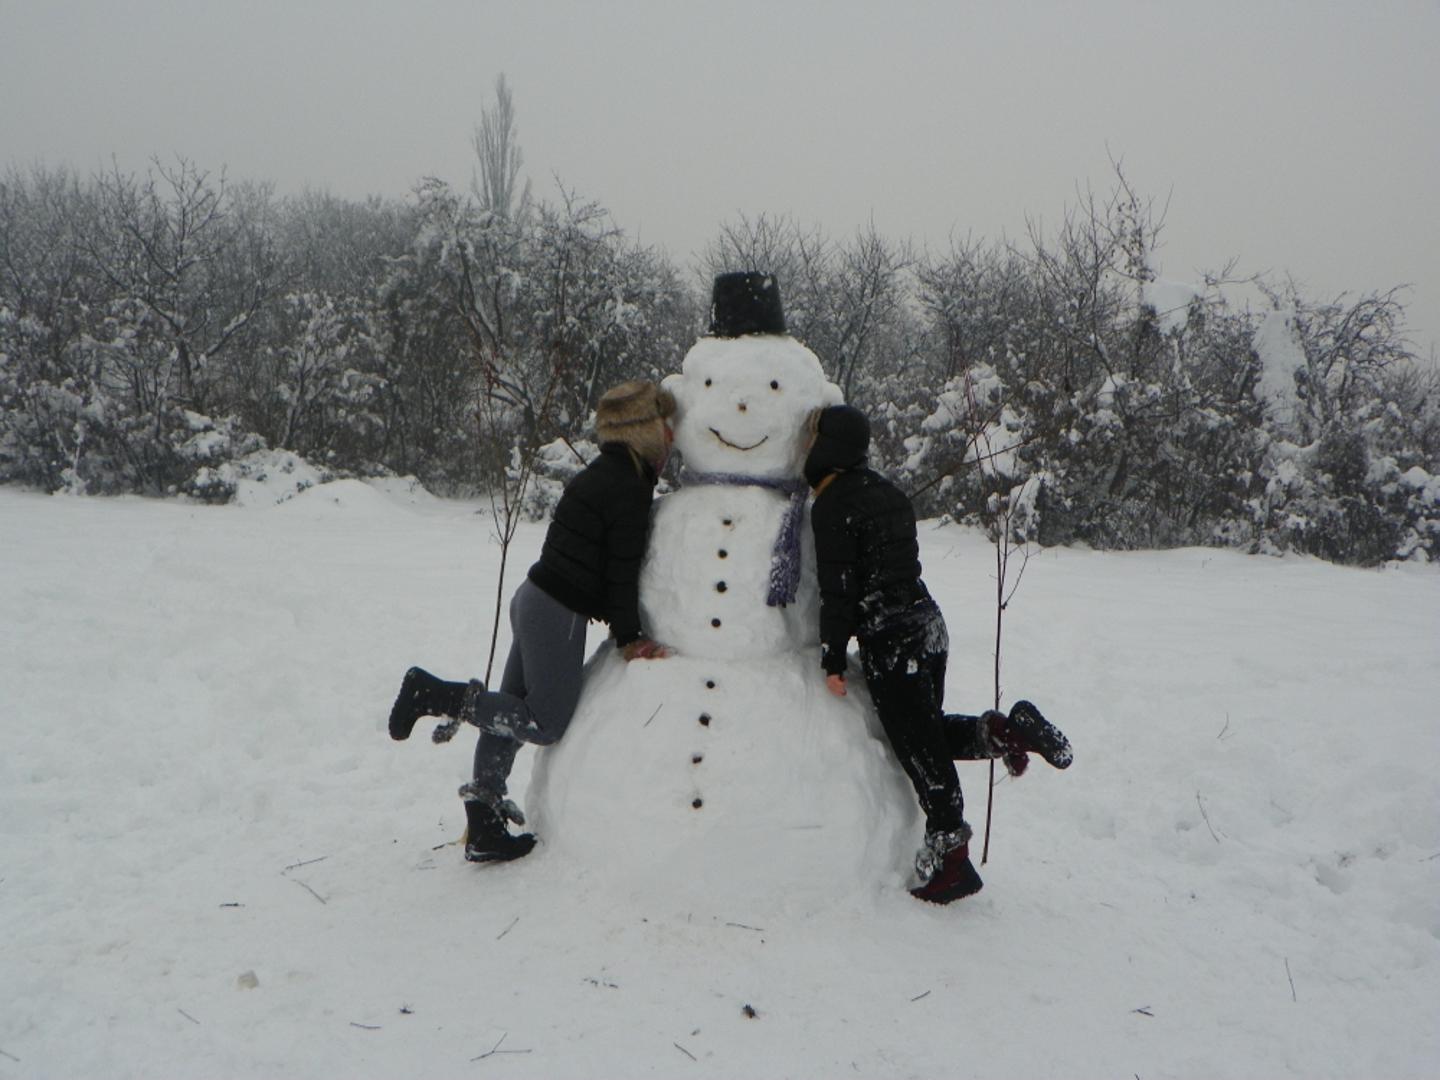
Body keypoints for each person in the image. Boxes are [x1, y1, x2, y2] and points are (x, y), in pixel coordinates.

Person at [387, 380, 675, 863]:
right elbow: (621, 571)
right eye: (667, 427)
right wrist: (629, 637)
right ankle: (433, 695)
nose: (673, 438)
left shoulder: (606, 473)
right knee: (543, 721)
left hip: (534, 598)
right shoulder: (628, 485)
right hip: (557, 610)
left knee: (511, 712)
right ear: (644, 431)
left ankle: (484, 823)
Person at [804, 404, 1072, 904]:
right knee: (926, 733)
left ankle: (953, 862)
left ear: (827, 446)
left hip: (892, 639)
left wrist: (833, 657)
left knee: (921, 754)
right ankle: (1005, 733)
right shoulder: (886, 492)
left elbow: (838, 588)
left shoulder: (833, 503)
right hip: (928, 624)